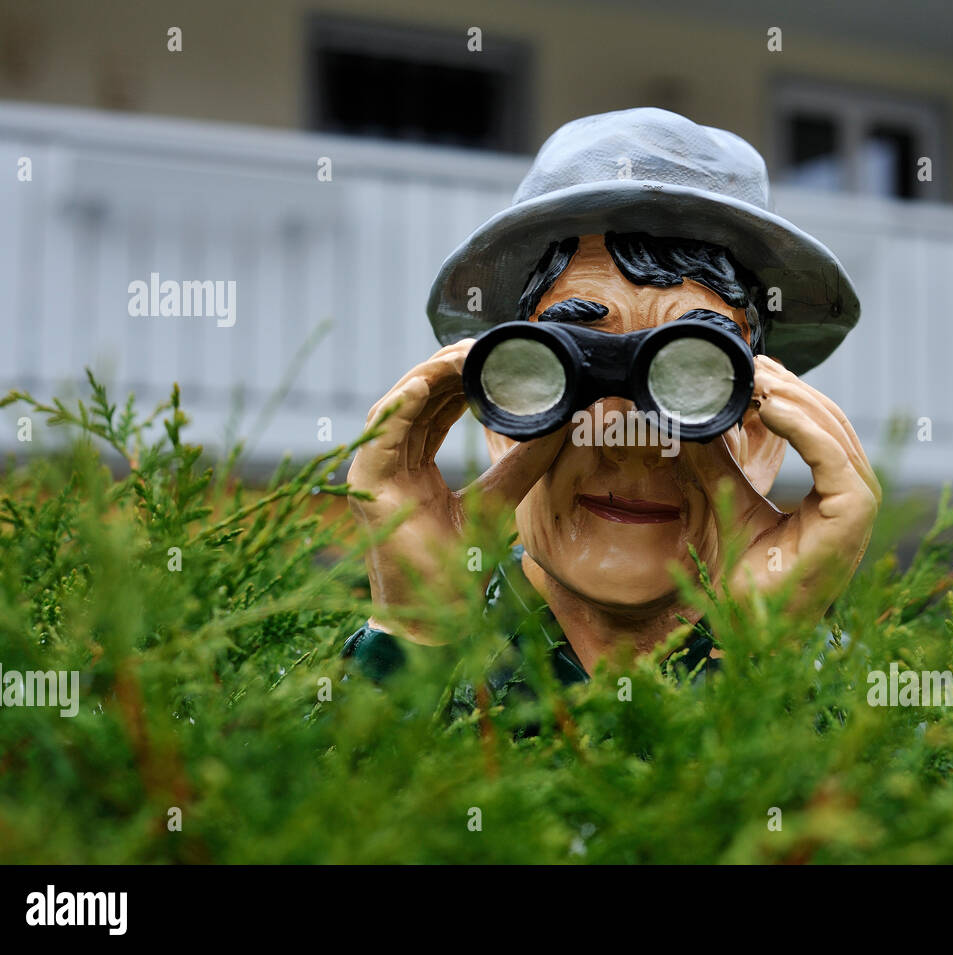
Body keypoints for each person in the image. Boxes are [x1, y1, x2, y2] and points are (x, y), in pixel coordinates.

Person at [343, 108, 879, 690]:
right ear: (507, 417)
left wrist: (769, 650)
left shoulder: (863, 704)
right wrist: (417, 632)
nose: (632, 443)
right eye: (562, 370)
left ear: (758, 436)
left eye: (695, 380)